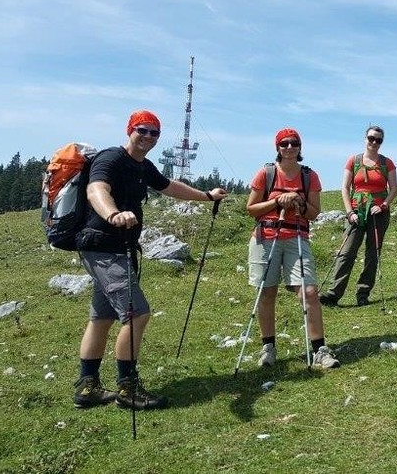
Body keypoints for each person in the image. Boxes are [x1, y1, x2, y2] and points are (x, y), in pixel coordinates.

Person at [73, 110, 228, 410]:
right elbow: (96, 190)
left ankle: (87, 387)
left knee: (102, 317)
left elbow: (169, 186)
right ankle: (127, 388)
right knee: (137, 314)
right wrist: (113, 214)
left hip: (118, 249)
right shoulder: (111, 159)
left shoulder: (143, 166)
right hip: (104, 248)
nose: (147, 137)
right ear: (129, 130)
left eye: (154, 132)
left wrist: (207, 196)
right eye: (141, 130)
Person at [245, 128, 339, 369]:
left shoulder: (309, 176)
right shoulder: (266, 173)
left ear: (300, 147)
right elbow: (251, 208)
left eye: (294, 143)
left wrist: (300, 203)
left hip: (297, 236)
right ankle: (268, 347)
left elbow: (314, 213)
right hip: (265, 237)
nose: (289, 147)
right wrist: (277, 201)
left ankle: (320, 350)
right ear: (277, 147)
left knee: (309, 292)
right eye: (284, 144)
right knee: (267, 293)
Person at [320, 126, 397, 307]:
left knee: (372, 253)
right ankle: (334, 293)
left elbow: (393, 189)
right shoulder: (353, 161)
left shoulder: (387, 163)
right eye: (371, 138)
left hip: (378, 213)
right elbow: (345, 188)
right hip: (356, 211)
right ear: (365, 139)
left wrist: (383, 205)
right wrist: (349, 212)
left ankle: (363, 293)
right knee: (346, 253)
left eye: (378, 140)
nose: (374, 142)